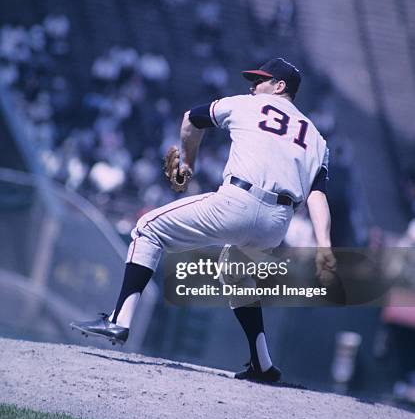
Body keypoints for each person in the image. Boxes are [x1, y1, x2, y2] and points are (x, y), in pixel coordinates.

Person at [71, 58, 336, 383]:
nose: (252, 86)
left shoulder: (245, 105)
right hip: (277, 222)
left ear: (280, 87)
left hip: (239, 200)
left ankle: (119, 319)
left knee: (147, 229)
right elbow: (317, 196)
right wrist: (324, 245)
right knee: (233, 272)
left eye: (261, 81)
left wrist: (188, 163)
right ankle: (262, 365)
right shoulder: (318, 140)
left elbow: (190, 119)